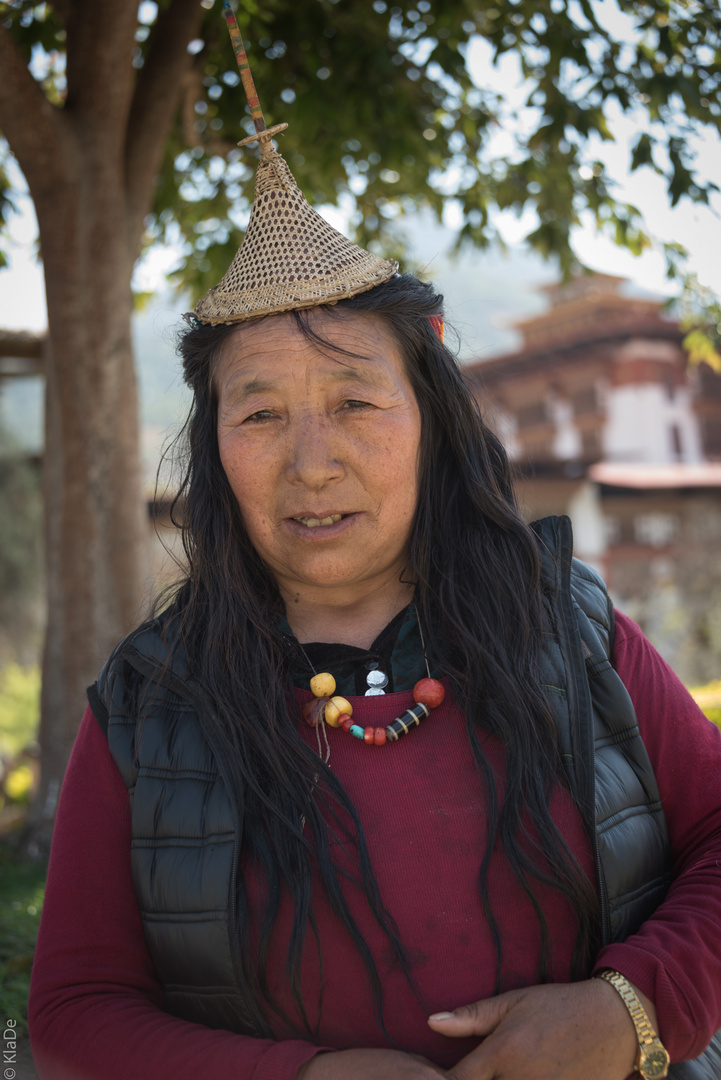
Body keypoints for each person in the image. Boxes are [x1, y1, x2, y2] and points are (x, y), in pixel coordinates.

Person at [28, 11, 721, 1080]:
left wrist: (630, 1009)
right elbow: (74, 1010)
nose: (313, 461)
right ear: (214, 449)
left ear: (433, 422)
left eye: (356, 399)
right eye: (259, 414)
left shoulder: (566, 626)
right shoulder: (148, 700)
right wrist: (299, 1077)